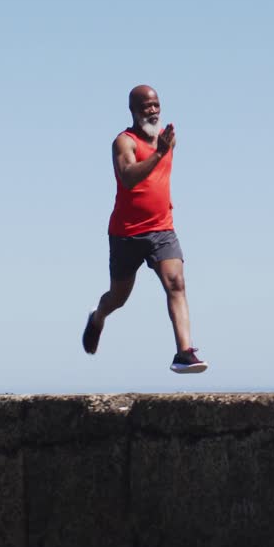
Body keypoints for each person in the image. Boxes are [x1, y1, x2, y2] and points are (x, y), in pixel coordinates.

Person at [81, 85, 207, 373]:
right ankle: (98, 316)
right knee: (118, 297)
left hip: (162, 228)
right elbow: (127, 178)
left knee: (176, 283)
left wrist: (163, 149)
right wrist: (157, 154)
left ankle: (184, 353)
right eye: (145, 106)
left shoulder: (167, 141)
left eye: (156, 105)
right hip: (126, 233)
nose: (152, 110)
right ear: (133, 110)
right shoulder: (124, 142)